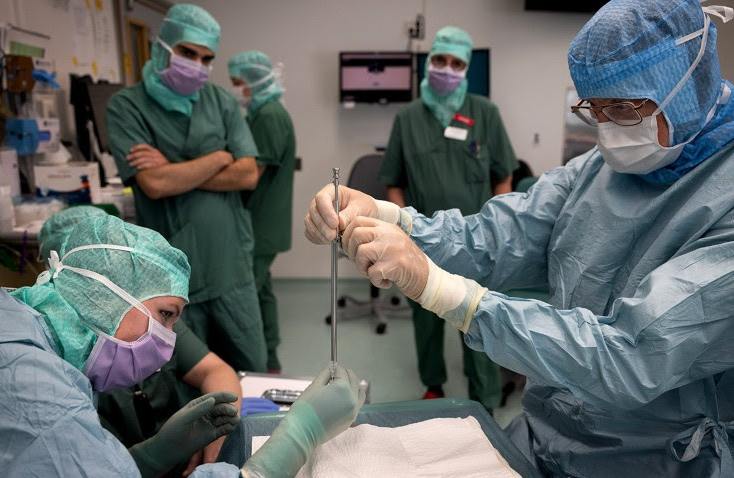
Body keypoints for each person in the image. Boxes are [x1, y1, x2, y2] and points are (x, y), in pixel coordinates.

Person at [305, 0, 734, 475]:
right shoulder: (596, 169)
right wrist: (390, 218)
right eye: (595, 109)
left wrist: (445, 291)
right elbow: (492, 239)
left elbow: (631, 355)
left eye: (624, 109)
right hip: (546, 433)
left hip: (654, 458)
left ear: (688, 84)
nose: (608, 130)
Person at [0, 214, 366, 477]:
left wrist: (144, 458)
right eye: (165, 315)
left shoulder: (4, 316)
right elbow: (54, 444)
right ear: (106, 295)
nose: (168, 340)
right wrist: (299, 436)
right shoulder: (38, 400)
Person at [106, 3, 267, 373]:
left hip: (230, 267)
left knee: (252, 366)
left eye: (206, 58)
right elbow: (155, 184)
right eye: (187, 52)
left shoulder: (221, 100)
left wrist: (173, 167)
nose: (197, 65)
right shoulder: (126, 107)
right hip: (170, 277)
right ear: (163, 47)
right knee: (185, 378)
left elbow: (248, 174)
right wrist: (219, 157)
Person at [37, 206, 243, 476]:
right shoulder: (53, 368)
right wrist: (154, 455)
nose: (168, 333)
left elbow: (216, 371)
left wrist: (213, 439)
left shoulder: (150, 320)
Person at [379, 25, 518, 405]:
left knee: (478, 318)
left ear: (466, 68)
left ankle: (485, 397)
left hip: (477, 242)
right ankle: (432, 385)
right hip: (420, 240)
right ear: (428, 62)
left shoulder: (484, 113)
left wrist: (500, 226)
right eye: (439, 59)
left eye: (456, 63)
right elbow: (394, 181)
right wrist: (402, 231)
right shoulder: (407, 119)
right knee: (425, 320)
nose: (446, 68)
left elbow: (503, 173)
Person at [228, 50, 296, 373]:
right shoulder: (263, 113)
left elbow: (249, 174)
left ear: (253, 81)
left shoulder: (269, 116)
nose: (236, 90)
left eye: (238, 83)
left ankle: (254, 367)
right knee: (262, 291)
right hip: (263, 222)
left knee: (246, 298)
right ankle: (270, 361)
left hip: (262, 223)